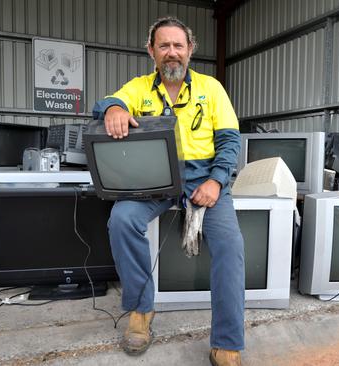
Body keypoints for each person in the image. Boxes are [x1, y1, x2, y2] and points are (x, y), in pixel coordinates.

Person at [92, 16, 244, 366]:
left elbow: (229, 141)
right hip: (155, 181)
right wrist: (114, 108)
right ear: (151, 51)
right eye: (164, 45)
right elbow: (106, 102)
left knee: (230, 245)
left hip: (205, 177)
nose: (171, 52)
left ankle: (227, 341)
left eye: (178, 45)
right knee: (122, 220)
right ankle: (141, 311)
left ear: (190, 50)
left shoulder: (212, 88)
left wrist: (217, 181)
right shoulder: (139, 88)